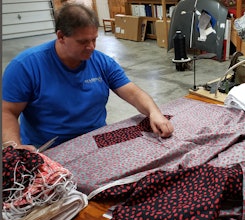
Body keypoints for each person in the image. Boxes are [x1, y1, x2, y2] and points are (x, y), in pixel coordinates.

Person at [2, 3, 174, 151]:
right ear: (61, 36)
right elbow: (7, 111)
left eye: (94, 39)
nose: (91, 47)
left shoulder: (101, 62)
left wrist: (154, 113)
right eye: (83, 42)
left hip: (95, 141)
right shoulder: (26, 66)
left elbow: (133, 93)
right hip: (49, 149)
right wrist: (14, 147)